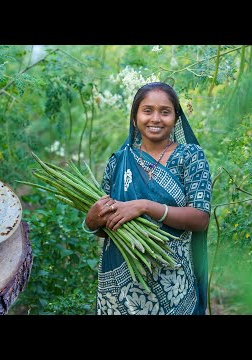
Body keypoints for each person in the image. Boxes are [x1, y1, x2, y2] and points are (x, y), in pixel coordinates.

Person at [84, 82, 212, 315]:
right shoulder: (119, 161)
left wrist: (145, 206)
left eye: (165, 111)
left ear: (175, 118)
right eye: (147, 110)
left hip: (174, 285)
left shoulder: (191, 156)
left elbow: (200, 218)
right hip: (121, 291)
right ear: (135, 118)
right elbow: (109, 225)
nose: (156, 118)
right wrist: (92, 222)